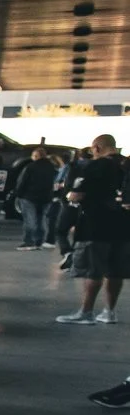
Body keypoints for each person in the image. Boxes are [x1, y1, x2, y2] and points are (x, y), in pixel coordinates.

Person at [56, 134, 127, 324]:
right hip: (124, 225)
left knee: (94, 269)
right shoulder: (127, 165)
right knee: (115, 270)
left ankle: (86, 312)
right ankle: (109, 312)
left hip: (97, 223)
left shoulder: (96, 166)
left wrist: (70, 195)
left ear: (96, 148)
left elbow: (76, 195)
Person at [13, 145, 61, 250]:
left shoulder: (30, 167)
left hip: (29, 196)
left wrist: (18, 194)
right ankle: (39, 242)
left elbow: (22, 182)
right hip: (46, 198)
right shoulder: (52, 168)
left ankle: (28, 241)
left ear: (36, 156)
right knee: (42, 220)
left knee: (30, 220)